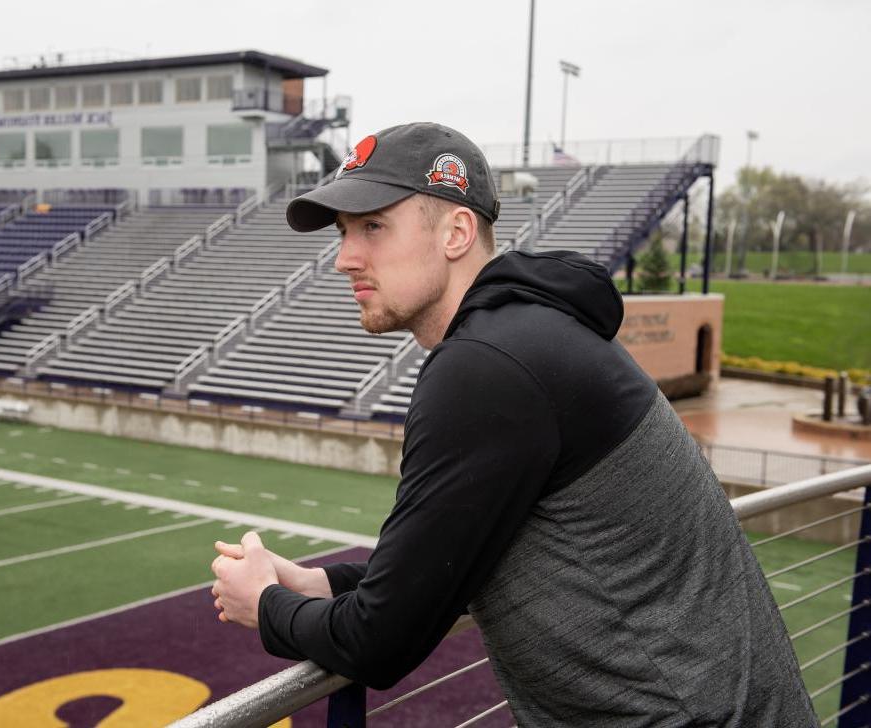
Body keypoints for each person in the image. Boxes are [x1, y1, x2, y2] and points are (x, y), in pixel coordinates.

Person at [210, 122, 816, 725]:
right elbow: (452, 557)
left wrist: (265, 604)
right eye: (344, 233)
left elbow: (379, 641)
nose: (345, 259)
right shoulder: (524, 335)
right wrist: (324, 584)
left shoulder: (486, 367)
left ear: (456, 232)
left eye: (373, 226)